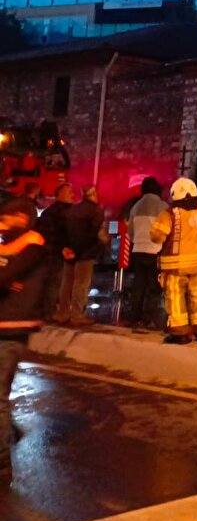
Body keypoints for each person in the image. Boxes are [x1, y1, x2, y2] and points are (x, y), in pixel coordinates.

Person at [0, 197, 49, 486]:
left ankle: (2, 464)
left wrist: (7, 279)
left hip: (11, 329)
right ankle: (9, 434)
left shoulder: (32, 244)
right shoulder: (10, 244)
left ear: (20, 217)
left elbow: (5, 276)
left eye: (4, 219)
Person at [150, 178, 197, 344]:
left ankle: (180, 333)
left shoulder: (169, 214)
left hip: (175, 267)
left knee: (175, 297)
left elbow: (156, 237)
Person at [57, 184, 106, 326]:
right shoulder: (96, 211)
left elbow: (64, 231)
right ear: (93, 195)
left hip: (70, 252)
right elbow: (91, 235)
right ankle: (77, 315)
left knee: (66, 284)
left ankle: (62, 313)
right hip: (85, 253)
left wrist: (67, 249)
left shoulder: (72, 209)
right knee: (81, 284)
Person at [127, 177, 168, 328]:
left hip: (138, 250)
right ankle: (148, 317)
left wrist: (136, 240)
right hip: (155, 250)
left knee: (139, 284)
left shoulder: (136, 207)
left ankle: (134, 316)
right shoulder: (163, 207)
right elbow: (167, 230)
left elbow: (130, 230)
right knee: (154, 286)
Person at [34, 182, 73, 321]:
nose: (72, 194)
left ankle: (41, 310)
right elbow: (66, 234)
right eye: (69, 191)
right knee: (54, 283)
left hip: (44, 252)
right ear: (60, 194)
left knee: (45, 282)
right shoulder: (66, 213)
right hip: (57, 253)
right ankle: (49, 312)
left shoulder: (48, 212)